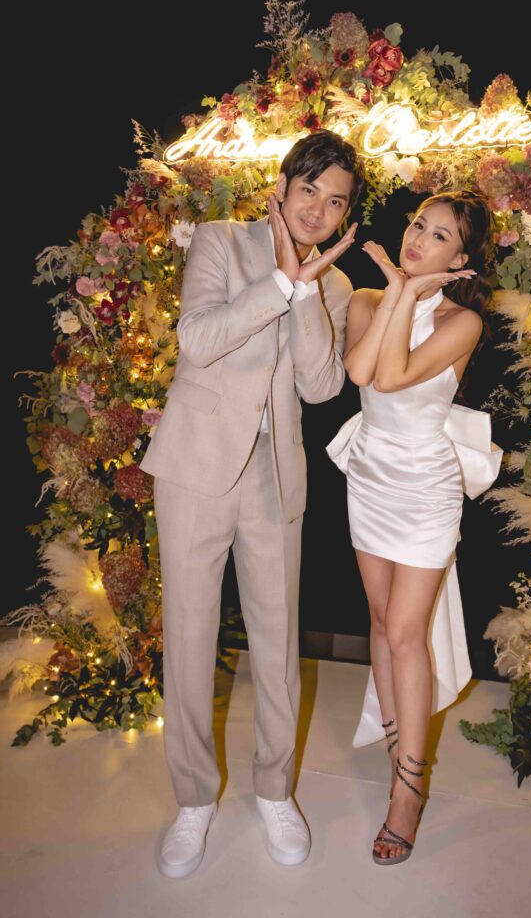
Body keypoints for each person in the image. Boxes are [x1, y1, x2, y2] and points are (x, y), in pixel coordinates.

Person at [139, 129, 365, 876]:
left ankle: (275, 791)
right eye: (309, 192)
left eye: (335, 203)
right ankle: (193, 800)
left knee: (276, 643)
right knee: (192, 637)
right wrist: (277, 283)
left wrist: (307, 291)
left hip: (275, 476)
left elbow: (322, 385)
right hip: (196, 468)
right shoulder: (219, 240)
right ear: (282, 185)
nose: (318, 211)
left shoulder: (332, 281)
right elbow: (197, 340)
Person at [326, 191, 502, 864]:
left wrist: (410, 293)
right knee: (379, 622)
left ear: (459, 259)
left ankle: (408, 791)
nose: (418, 240)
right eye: (416, 227)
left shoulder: (464, 323)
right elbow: (358, 371)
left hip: (424, 485)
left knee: (404, 635)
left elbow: (394, 375)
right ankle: (400, 742)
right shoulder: (368, 301)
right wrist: (397, 292)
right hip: (369, 473)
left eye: (438, 237)